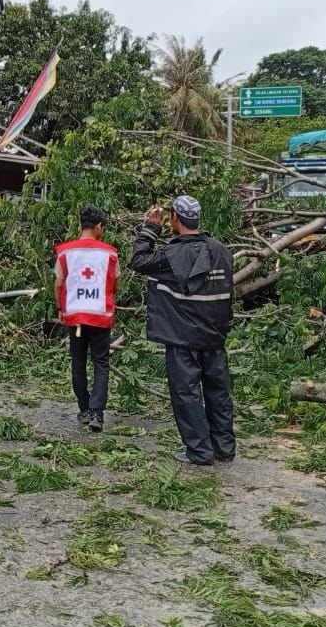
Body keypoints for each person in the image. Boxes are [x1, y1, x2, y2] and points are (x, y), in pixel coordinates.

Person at [128, 195, 236, 465]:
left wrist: (150, 228)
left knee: (187, 394)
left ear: (175, 218)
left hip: (183, 338)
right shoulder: (221, 250)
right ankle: (223, 448)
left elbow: (139, 260)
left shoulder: (172, 256)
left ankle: (199, 451)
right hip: (215, 335)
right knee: (218, 392)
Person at [54, 204, 118, 431]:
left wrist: (61, 309)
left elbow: (59, 283)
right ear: (99, 226)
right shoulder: (109, 253)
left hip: (76, 317)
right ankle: (97, 413)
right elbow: (114, 283)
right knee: (101, 363)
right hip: (100, 315)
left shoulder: (65, 252)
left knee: (78, 362)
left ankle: (84, 408)